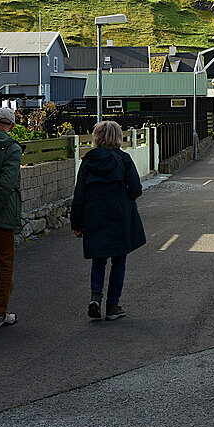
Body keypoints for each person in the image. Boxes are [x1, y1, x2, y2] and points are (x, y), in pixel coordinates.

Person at [71, 120, 146, 321]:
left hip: (94, 215)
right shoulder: (123, 159)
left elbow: (79, 194)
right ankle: (112, 306)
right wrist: (124, 198)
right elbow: (136, 189)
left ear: (97, 137)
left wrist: (77, 224)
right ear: (118, 137)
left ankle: (95, 296)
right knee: (119, 260)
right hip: (120, 215)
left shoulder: (88, 161)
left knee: (99, 258)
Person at [0, 107, 22, 329]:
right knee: (5, 263)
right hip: (2, 217)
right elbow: (6, 184)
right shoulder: (12, 148)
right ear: (11, 126)